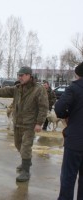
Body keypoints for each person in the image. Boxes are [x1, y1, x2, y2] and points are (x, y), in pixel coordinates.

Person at [0, 66, 48, 182]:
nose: (20, 77)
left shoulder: (38, 89)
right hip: (18, 123)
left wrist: (39, 123)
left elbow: (43, 107)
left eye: (22, 75)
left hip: (30, 124)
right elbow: (5, 90)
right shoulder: (18, 88)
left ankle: (25, 171)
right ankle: (25, 162)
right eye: (19, 75)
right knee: (18, 145)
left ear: (29, 75)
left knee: (26, 146)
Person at [55, 62, 83, 200]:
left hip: (75, 141)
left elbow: (59, 109)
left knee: (68, 177)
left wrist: (67, 114)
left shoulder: (74, 88)